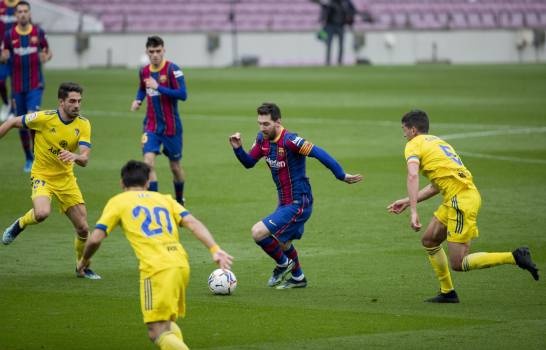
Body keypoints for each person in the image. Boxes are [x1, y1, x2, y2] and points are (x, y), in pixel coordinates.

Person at [76, 160, 233, 350]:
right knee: (166, 324)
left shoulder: (118, 202)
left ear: (121, 183)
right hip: (181, 264)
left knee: (155, 331)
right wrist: (215, 249)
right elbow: (193, 223)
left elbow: (94, 239)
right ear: (148, 182)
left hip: (156, 269)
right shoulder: (164, 199)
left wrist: (84, 260)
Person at [387, 109, 539, 303]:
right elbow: (437, 185)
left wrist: (414, 211)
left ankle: (515, 257)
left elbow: (413, 175)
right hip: (457, 197)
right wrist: (408, 201)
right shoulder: (437, 142)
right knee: (429, 240)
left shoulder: (413, 145)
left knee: (459, 263)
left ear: (414, 130)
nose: (404, 134)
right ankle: (447, 292)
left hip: (461, 201)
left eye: (405, 130)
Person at [229, 102, 362, 289]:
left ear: (278, 122)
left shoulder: (291, 141)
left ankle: (283, 264)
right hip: (284, 201)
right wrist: (237, 148)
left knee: (258, 232)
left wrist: (341, 175)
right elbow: (249, 162)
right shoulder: (262, 140)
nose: (262, 128)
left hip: (299, 202)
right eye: (259, 123)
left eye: (266, 124)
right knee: (283, 242)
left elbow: (318, 152)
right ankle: (298, 277)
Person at [0, 82, 100, 279]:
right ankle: (20, 224)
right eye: (72, 101)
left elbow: (85, 157)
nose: (77, 105)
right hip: (42, 175)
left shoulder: (83, 124)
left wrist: (76, 157)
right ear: (61, 102)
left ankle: (82, 267)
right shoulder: (44, 118)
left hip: (66, 179)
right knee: (43, 213)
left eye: (79, 101)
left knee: (83, 228)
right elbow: (12, 122)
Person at [130, 35, 187, 205]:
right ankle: (154, 202)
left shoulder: (173, 70)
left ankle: (179, 200)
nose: (155, 54)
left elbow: (183, 95)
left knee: (175, 167)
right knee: (148, 162)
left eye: (158, 51)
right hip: (151, 126)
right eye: (151, 51)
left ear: (164, 50)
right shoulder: (144, 71)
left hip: (172, 127)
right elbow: (142, 88)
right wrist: (138, 99)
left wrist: (159, 87)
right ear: (147, 52)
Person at [1, 0, 51, 173]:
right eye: (19, 11)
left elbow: (47, 51)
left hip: (35, 86)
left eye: (25, 11)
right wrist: (4, 56)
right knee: (20, 123)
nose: (22, 14)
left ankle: (38, 156)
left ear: (30, 14)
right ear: (15, 15)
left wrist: (46, 56)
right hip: (17, 87)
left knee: (32, 118)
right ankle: (29, 157)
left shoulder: (38, 32)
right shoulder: (9, 35)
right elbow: (4, 55)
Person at [314, 0, 356, 66]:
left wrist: (350, 20)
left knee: (341, 45)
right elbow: (324, 11)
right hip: (330, 25)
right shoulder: (330, 3)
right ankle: (328, 61)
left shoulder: (346, 3)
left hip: (340, 25)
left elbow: (352, 11)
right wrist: (322, 20)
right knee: (329, 44)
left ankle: (339, 61)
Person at [0, 0, 19, 122]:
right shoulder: (1, 5)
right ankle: (6, 103)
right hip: (2, 52)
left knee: (15, 83)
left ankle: (13, 110)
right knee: (1, 81)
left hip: (17, 52)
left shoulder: (21, 6)